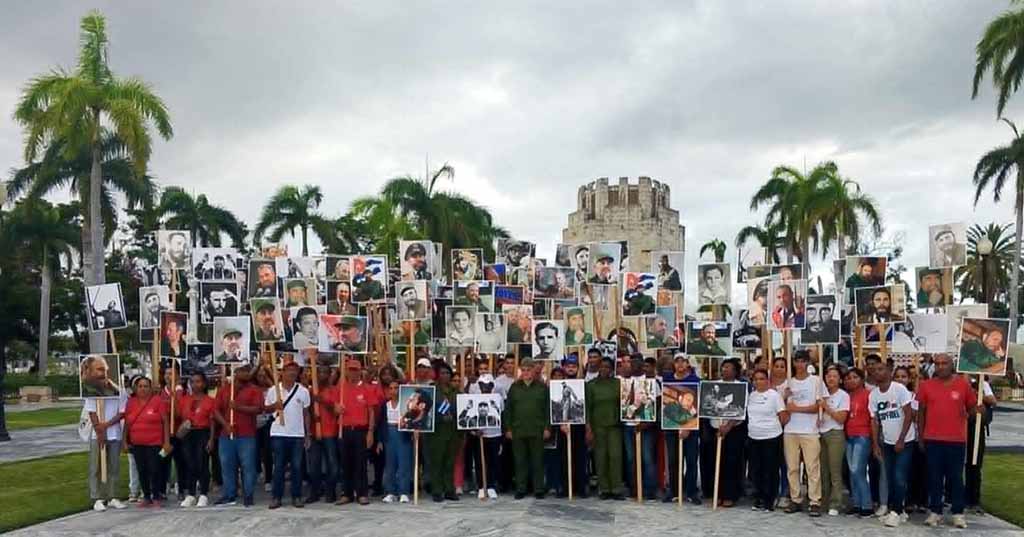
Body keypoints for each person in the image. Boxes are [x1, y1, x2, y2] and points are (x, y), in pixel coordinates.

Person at [915, 353, 977, 529]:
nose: (941, 366)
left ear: (952, 365)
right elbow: (921, 413)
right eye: (937, 363)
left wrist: (976, 411)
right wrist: (921, 436)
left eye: (944, 363)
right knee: (934, 477)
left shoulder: (963, 385)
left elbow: (971, 408)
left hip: (956, 440)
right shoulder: (926, 386)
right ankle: (935, 511)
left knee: (956, 478)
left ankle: (958, 513)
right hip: (932, 439)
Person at [869, 362, 917, 528]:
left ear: (889, 372)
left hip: (905, 441)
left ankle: (895, 512)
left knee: (899, 476)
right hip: (888, 442)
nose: (877, 372)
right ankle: (900, 510)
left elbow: (909, 413)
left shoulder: (899, 389)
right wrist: (875, 444)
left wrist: (902, 439)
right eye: (874, 370)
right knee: (890, 477)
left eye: (880, 369)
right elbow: (874, 420)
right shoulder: (874, 395)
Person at [262, 361, 311, 509]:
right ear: (282, 372)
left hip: (297, 434)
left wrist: (307, 434)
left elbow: (306, 413)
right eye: (288, 370)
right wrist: (274, 406)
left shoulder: (303, 391)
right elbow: (266, 409)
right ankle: (277, 497)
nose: (291, 373)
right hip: (278, 432)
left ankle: (296, 496)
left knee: (296, 467)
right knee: (279, 467)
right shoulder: (273, 390)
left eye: (294, 371)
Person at [213, 364, 263, 506]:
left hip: (247, 434)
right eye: (243, 370)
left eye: (248, 371)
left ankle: (248, 494)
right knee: (227, 465)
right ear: (235, 372)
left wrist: (239, 407)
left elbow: (258, 409)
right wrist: (225, 425)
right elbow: (216, 410)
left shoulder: (255, 390)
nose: (246, 373)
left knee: (248, 466)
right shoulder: (224, 390)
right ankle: (229, 494)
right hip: (226, 434)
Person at [781, 351, 824, 516]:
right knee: (792, 467)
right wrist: (785, 399)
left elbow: (817, 406)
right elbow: (783, 407)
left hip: (809, 430)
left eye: (802, 361)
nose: (799, 364)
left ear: (807, 363)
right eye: (796, 361)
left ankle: (815, 501)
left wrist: (796, 409)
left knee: (812, 467)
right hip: (790, 430)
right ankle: (795, 499)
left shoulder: (816, 381)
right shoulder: (789, 382)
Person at [701, 358, 745, 507]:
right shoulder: (715, 385)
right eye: (723, 367)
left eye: (728, 367)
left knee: (731, 464)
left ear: (735, 371)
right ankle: (716, 493)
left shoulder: (740, 387)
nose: (725, 370)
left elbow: (740, 410)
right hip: (715, 429)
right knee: (715, 462)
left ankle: (730, 494)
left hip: (733, 431)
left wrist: (729, 426)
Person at [504, 358, 550, 499]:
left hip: (537, 429)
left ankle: (538, 489)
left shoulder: (542, 388)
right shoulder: (514, 387)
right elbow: (508, 410)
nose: (525, 373)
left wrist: (547, 427)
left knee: (537, 461)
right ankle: (521, 488)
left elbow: (547, 409)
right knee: (520, 461)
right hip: (518, 430)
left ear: (533, 370)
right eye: (523, 370)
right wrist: (508, 428)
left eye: (528, 370)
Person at [124, 376, 171, 507]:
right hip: (137, 443)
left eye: (146, 386)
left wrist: (166, 442)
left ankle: (156, 495)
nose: (143, 389)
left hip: (155, 443)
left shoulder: (157, 401)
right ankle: (146, 496)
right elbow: (127, 424)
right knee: (141, 470)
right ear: (135, 388)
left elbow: (165, 421)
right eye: (140, 386)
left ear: (150, 388)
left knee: (154, 469)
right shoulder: (131, 403)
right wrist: (124, 441)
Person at [334, 359, 375, 505]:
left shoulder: (367, 389)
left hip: (360, 430)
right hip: (344, 429)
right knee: (345, 462)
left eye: (355, 370)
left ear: (360, 371)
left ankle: (362, 493)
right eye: (350, 369)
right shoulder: (341, 388)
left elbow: (371, 411)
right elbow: (335, 406)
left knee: (361, 463)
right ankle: (347, 493)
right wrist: (337, 409)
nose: (353, 372)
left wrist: (370, 431)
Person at [747, 369, 789, 511]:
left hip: (771, 437)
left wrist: (775, 428)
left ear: (767, 380)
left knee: (770, 470)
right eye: (756, 379)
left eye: (762, 379)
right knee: (755, 470)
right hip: (754, 437)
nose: (759, 382)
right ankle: (758, 497)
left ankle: (769, 499)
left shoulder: (774, 396)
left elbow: (783, 415)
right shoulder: (751, 396)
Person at [84, 381, 128, 512]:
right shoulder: (92, 390)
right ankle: (97, 498)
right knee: (95, 467)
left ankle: (113, 496)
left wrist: (107, 425)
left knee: (114, 466)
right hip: (97, 435)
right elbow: (91, 412)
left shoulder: (120, 391)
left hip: (114, 434)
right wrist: (99, 430)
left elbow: (122, 412)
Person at [663, 353, 701, 504]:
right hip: (671, 430)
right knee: (673, 461)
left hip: (692, 430)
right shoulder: (667, 380)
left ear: (687, 364)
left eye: (683, 361)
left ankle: (691, 491)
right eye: (677, 361)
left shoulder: (696, 381)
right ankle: (674, 491)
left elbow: (698, 408)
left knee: (691, 460)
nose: (680, 364)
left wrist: (688, 428)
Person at [585, 357, 624, 500]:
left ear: (611, 369)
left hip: (614, 426)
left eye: (607, 367)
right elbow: (587, 408)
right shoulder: (591, 385)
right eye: (602, 366)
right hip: (597, 426)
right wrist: (588, 428)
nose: (604, 369)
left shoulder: (618, 383)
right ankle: (604, 488)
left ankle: (616, 489)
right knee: (600, 458)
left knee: (615, 456)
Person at [179, 372, 216, 508]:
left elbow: (212, 422)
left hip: (203, 433)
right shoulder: (184, 399)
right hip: (188, 433)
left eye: (198, 381)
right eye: (193, 381)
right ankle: (191, 494)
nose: (195, 384)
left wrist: (211, 439)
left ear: (204, 383)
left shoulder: (210, 401)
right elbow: (179, 415)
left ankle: (204, 494)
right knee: (189, 463)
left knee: (202, 463)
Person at [842, 368, 874, 517]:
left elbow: (873, 418)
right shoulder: (847, 396)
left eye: (855, 377)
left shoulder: (868, 395)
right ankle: (856, 503)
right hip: (849, 436)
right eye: (848, 378)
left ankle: (866, 504)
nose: (851, 380)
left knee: (857, 470)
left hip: (863, 435)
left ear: (862, 379)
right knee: (851, 471)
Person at [306, 365, 340, 504]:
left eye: (325, 372)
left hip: (330, 432)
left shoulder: (334, 390)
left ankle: (330, 491)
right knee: (314, 466)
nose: (323, 375)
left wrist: (322, 401)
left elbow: (337, 410)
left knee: (333, 465)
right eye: (320, 372)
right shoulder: (310, 391)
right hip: (314, 433)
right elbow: (306, 410)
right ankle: (315, 491)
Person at [428, 362, 462, 502]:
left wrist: (453, 415)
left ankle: (449, 489)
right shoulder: (432, 391)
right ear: (437, 375)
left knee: (450, 462)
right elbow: (428, 410)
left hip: (453, 431)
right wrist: (440, 416)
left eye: (448, 373)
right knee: (437, 462)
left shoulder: (456, 392)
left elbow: (461, 409)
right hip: (437, 432)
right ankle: (437, 490)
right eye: (442, 373)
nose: (445, 376)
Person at [818, 366, 849, 516]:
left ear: (840, 379)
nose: (831, 379)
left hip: (835, 434)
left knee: (835, 470)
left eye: (834, 376)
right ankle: (824, 499)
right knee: (823, 470)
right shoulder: (821, 394)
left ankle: (836, 502)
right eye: (828, 376)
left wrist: (827, 408)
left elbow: (841, 418)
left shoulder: (843, 396)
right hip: (820, 434)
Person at [467, 373, 503, 500]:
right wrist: (474, 430)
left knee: (493, 461)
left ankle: (491, 486)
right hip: (479, 436)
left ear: (492, 386)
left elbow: (501, 415)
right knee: (479, 461)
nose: (485, 387)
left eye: (488, 385)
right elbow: (469, 418)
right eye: (482, 385)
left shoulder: (498, 398)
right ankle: (481, 486)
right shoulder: (474, 398)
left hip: (495, 434)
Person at [377, 380, 413, 503]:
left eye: (396, 388)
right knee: (390, 465)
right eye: (391, 388)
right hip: (389, 434)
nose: (393, 391)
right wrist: (380, 441)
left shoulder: (404, 404)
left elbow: (410, 418)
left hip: (402, 434)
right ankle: (390, 491)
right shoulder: (385, 405)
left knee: (404, 464)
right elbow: (381, 423)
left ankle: (403, 491)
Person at [965, 376, 996, 517]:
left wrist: (978, 395)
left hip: (974, 428)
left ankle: (973, 500)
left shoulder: (981, 384)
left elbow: (992, 401)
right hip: (955, 427)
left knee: (974, 464)